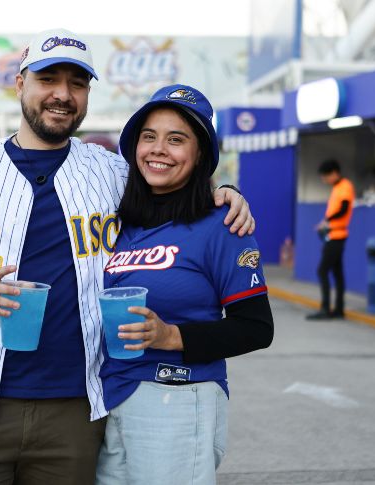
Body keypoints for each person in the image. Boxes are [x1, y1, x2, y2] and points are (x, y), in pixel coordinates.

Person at [0, 28, 254, 484]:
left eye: (78, 83)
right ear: (20, 83)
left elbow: (176, 179)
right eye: (48, 79)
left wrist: (225, 192)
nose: (63, 95)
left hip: (75, 410)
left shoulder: (112, 172)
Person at [94, 84, 274, 485]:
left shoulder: (224, 225)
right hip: (110, 397)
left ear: (200, 156)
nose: (159, 149)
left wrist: (171, 336)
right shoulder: (122, 223)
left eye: (176, 140)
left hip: (176, 397)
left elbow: (257, 328)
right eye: (149, 136)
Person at [306, 159, 355, 320]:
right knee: (337, 273)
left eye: (325, 176)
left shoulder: (345, 186)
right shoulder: (337, 187)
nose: (324, 180)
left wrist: (327, 221)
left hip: (336, 236)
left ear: (334, 173)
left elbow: (344, 208)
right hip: (334, 235)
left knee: (322, 271)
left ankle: (326, 308)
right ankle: (339, 309)